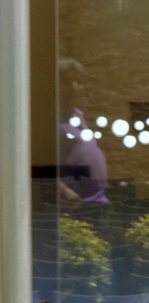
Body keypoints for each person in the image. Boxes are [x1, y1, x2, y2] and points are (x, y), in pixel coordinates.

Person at [57, 58, 108, 205]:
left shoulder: (79, 116)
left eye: (78, 82)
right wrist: (64, 191)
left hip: (97, 200)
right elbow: (38, 166)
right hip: (76, 202)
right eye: (66, 82)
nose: (73, 87)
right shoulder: (51, 120)